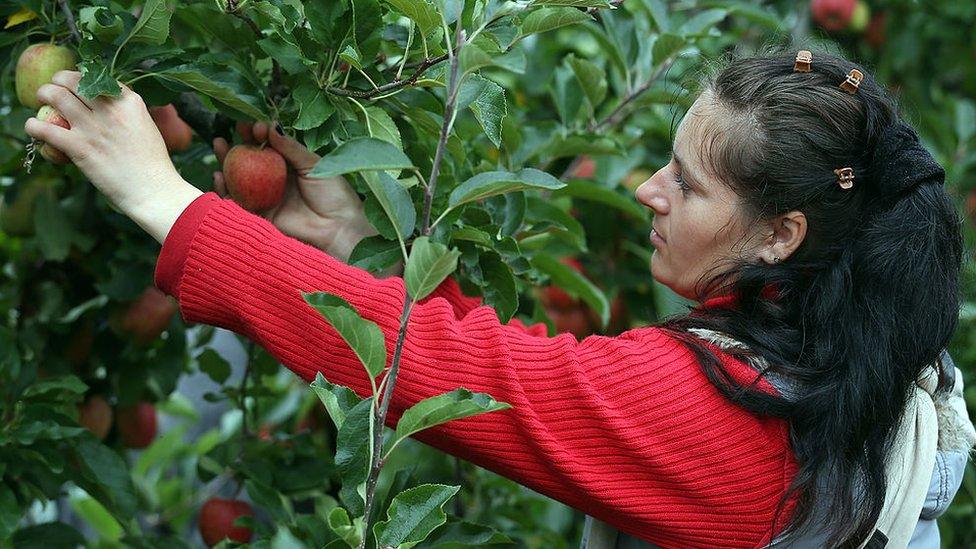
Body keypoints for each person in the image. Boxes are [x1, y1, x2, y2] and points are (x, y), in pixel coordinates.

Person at [23, 50, 976, 548]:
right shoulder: (844, 352)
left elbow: (460, 375)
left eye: (686, 184)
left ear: (780, 236)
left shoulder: (734, 427)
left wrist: (166, 198)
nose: (648, 188)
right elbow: (550, 380)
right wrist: (358, 243)